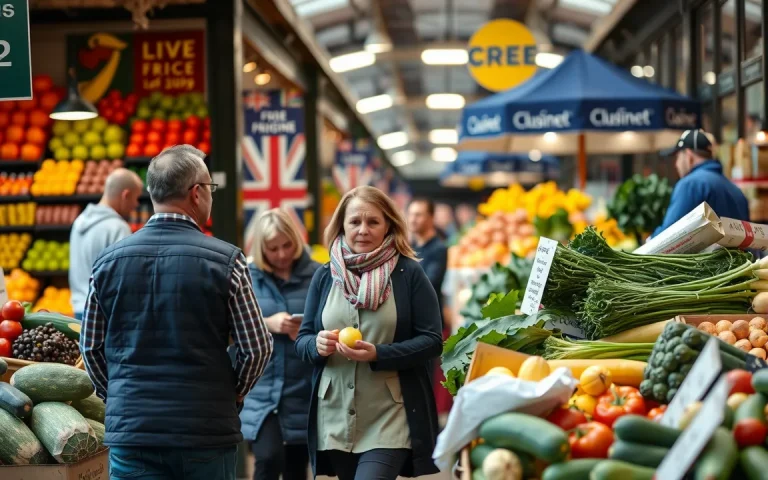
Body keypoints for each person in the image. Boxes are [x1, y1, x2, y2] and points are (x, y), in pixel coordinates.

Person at [80, 145, 273, 480]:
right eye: (210, 188)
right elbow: (257, 347)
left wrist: (120, 395)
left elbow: (90, 346)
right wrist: (234, 391)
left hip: (133, 432)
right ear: (196, 193)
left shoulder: (108, 262)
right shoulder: (226, 261)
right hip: (206, 430)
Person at [295, 185, 443, 480]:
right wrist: (316, 344)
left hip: (389, 416)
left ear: (388, 224)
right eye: (355, 222)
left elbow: (432, 341)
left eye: (373, 221)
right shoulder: (324, 275)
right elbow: (303, 339)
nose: (363, 230)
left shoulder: (409, 273)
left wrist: (379, 353)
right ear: (342, 225)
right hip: (334, 415)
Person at [241, 208, 319, 480]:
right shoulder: (247, 275)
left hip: (303, 386)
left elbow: (333, 321)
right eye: (273, 249)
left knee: (297, 466)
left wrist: (310, 334)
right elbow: (230, 324)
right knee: (268, 458)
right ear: (261, 249)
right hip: (262, 387)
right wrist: (267, 324)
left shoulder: (318, 275)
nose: (282, 254)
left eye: (287, 245)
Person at [68, 168, 143, 319]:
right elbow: (124, 277)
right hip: (104, 312)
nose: (136, 205)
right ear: (125, 195)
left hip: (79, 308)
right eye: (136, 199)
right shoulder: (118, 228)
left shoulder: (79, 221)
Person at [654, 129, 750, 237]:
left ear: (689, 156)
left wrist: (649, 241)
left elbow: (668, 234)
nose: (676, 164)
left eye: (678, 157)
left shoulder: (691, 184)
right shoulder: (736, 191)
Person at [407, 198, 447, 316]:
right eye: (410, 214)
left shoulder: (438, 248)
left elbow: (429, 284)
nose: (412, 219)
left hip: (429, 316)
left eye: (418, 215)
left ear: (431, 218)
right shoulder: (411, 247)